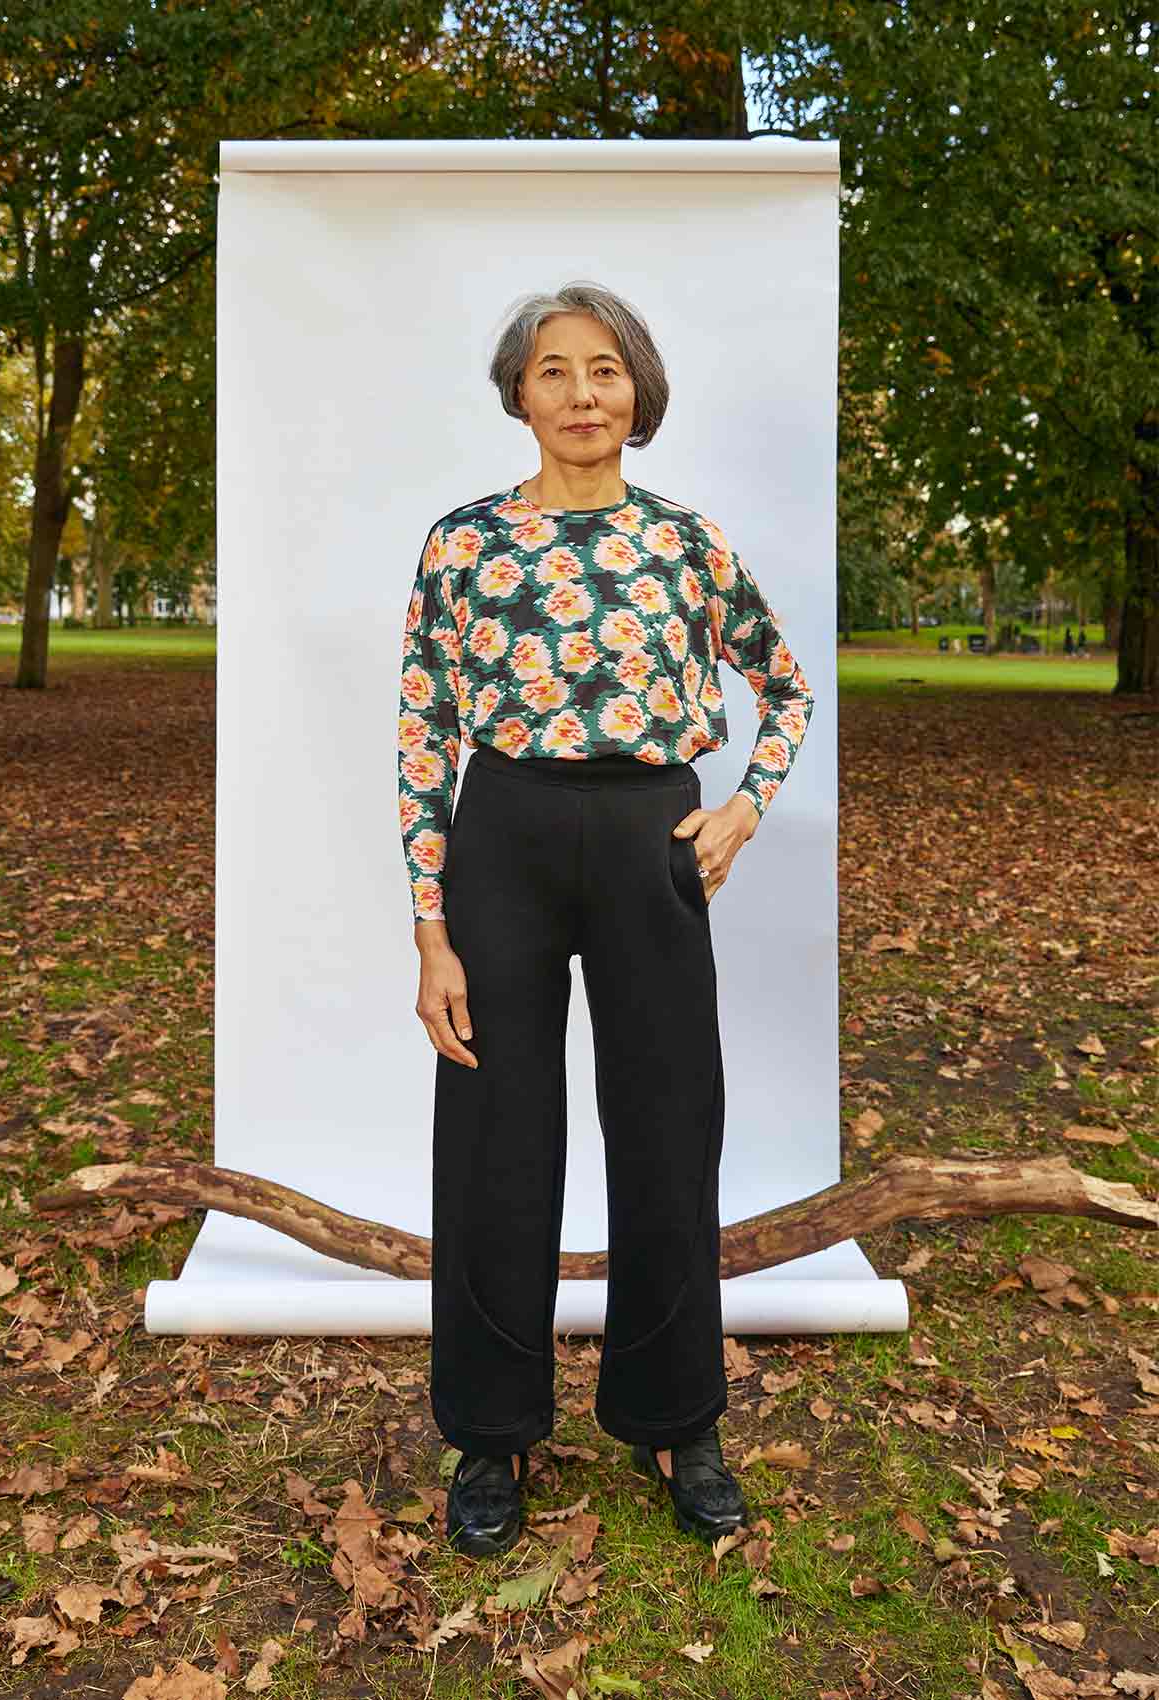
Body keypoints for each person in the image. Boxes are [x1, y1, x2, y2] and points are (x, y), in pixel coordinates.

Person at [396, 281, 816, 1557]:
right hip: (504, 840)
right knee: (494, 1140)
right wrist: (430, 927)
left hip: (652, 845)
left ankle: (678, 1414)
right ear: (518, 394)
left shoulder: (688, 541)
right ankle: (491, 1431)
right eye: (555, 371)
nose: (584, 394)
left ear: (638, 388)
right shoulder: (461, 544)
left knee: (668, 1121)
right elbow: (424, 736)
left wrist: (743, 807)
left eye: (606, 369)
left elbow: (784, 685)